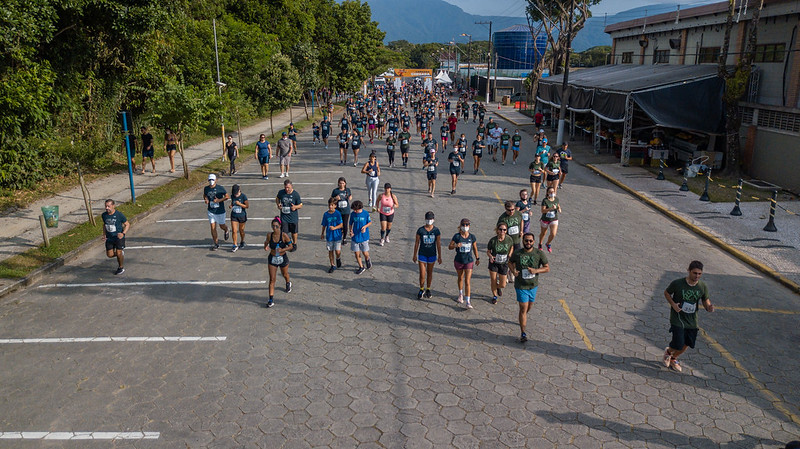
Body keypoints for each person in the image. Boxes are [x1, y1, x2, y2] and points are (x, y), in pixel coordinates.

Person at [662, 261, 714, 372]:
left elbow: (705, 300)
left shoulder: (702, 286)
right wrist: (673, 304)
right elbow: (667, 293)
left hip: (692, 320)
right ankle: (668, 352)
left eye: (699, 274)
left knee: (688, 343)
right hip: (678, 318)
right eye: (695, 273)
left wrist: (708, 307)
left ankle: (673, 358)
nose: (697, 276)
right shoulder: (677, 283)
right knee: (678, 343)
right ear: (689, 271)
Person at [508, 232, 550, 343]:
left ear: (534, 242)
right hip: (521, 285)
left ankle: (523, 318)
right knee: (523, 308)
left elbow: (547, 268)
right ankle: (523, 333)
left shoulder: (538, 253)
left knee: (528, 307)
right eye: (526, 240)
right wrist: (513, 271)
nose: (528, 243)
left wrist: (536, 270)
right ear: (523, 241)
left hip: (533, 285)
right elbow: (510, 262)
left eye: (530, 241)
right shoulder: (518, 253)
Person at [448, 218, 480, 309]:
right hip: (459, 260)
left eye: (467, 225)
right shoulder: (457, 236)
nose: (465, 227)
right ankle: (460, 293)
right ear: (460, 226)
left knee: (467, 281)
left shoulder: (472, 237)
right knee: (460, 277)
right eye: (463, 225)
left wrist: (477, 258)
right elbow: (449, 246)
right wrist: (455, 245)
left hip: (469, 261)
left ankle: (468, 301)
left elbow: (475, 248)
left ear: (469, 226)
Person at [264, 217, 294, 308]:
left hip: (282, 258)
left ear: (280, 226)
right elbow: (266, 242)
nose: (275, 228)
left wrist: (283, 249)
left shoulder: (284, 235)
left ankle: (288, 282)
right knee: (272, 279)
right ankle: (270, 299)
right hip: (272, 258)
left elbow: (291, 246)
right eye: (273, 226)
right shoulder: (270, 235)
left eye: (276, 226)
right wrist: (265, 246)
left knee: (284, 274)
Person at [413, 211, 442, 300]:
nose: (429, 221)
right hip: (422, 254)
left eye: (431, 219)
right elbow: (417, 242)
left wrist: (440, 256)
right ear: (425, 219)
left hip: (432, 254)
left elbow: (438, 243)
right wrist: (414, 254)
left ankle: (428, 288)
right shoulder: (420, 230)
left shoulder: (436, 231)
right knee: (422, 273)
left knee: (430, 272)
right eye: (428, 219)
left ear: (433, 220)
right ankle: (421, 288)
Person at [487, 223, 514, 304]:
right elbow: (488, 251)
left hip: (504, 263)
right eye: (500, 229)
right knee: (493, 280)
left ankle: (498, 287)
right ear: (497, 230)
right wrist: (491, 256)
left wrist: (509, 254)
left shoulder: (509, 239)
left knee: (503, 284)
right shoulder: (493, 240)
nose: (502, 231)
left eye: (504, 230)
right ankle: (494, 296)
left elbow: (511, 247)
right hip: (494, 262)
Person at [101, 199, 129, 275]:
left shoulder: (119, 215)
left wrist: (123, 233)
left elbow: (127, 224)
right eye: (106, 206)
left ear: (113, 206)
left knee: (118, 252)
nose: (107, 208)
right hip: (109, 237)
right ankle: (120, 254)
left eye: (108, 206)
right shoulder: (104, 215)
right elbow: (104, 225)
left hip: (118, 237)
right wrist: (104, 234)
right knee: (109, 255)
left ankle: (120, 267)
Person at [204, 174, 230, 251]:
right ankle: (216, 243)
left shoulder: (220, 188)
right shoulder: (206, 188)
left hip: (220, 211)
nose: (211, 181)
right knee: (213, 227)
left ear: (216, 180)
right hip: (211, 211)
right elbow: (205, 195)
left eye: (212, 180)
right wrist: (206, 200)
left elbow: (227, 196)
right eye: (209, 180)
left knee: (222, 226)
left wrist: (218, 200)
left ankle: (226, 229)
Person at [275, 179, 303, 249]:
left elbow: (301, 205)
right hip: (284, 216)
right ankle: (286, 243)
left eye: (288, 187)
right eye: (286, 187)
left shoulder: (295, 194)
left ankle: (294, 243)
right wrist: (278, 204)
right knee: (284, 232)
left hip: (293, 217)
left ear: (291, 186)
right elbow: (277, 198)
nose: (287, 189)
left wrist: (295, 207)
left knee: (294, 232)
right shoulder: (281, 192)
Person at [320, 197, 344, 273]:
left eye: (332, 205)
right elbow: (324, 225)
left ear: (335, 206)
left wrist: (334, 228)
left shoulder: (338, 214)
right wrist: (322, 233)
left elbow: (341, 225)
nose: (330, 206)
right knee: (330, 251)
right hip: (329, 236)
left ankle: (338, 258)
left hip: (337, 235)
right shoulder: (326, 214)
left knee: (337, 251)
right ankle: (332, 265)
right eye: (329, 205)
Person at [349, 200, 372, 275]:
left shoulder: (365, 213)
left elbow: (369, 222)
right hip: (355, 237)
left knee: (365, 253)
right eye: (354, 210)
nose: (355, 211)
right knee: (356, 253)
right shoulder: (353, 214)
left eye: (356, 210)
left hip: (364, 237)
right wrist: (351, 231)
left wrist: (365, 226)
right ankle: (361, 267)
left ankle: (367, 259)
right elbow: (350, 223)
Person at [538, 186, 561, 253]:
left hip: (554, 219)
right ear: (547, 193)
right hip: (545, 219)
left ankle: (548, 243)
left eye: (553, 192)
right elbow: (543, 211)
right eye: (550, 192)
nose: (552, 193)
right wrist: (550, 208)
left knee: (553, 234)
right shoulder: (545, 200)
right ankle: (540, 244)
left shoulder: (556, 199)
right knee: (543, 233)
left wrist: (559, 208)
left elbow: (558, 205)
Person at [331, 177, 352, 245]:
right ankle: (339, 236)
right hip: (338, 210)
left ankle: (344, 238)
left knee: (345, 224)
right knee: (339, 224)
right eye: (340, 183)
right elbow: (331, 200)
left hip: (346, 210)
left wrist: (350, 197)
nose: (342, 184)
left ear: (345, 183)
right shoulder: (335, 191)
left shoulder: (347, 190)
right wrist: (335, 198)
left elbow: (350, 196)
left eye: (343, 183)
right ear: (338, 183)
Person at [229, 184, 249, 252]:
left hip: (242, 216)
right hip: (234, 215)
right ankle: (234, 244)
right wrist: (231, 205)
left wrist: (239, 204)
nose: (235, 194)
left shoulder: (243, 196)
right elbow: (232, 203)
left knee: (241, 230)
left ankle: (242, 241)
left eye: (236, 193)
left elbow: (247, 206)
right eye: (234, 193)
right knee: (234, 230)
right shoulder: (232, 196)